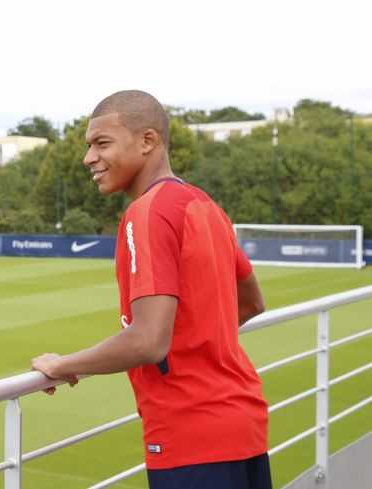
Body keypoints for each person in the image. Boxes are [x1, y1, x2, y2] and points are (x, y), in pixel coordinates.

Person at [31, 90, 271, 489]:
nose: (88, 158)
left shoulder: (146, 213)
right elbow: (252, 301)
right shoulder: (204, 204)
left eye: (101, 143)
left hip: (192, 439)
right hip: (243, 427)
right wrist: (195, 337)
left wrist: (63, 364)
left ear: (147, 141)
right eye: (89, 146)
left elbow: (147, 341)